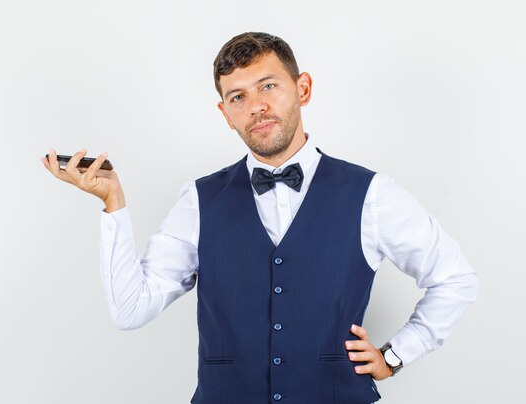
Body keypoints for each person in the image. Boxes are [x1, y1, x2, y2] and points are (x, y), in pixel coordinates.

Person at [41, 32, 479, 404]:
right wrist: (112, 203)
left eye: (268, 86)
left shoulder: (372, 195)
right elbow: (130, 310)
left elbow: (455, 278)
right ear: (225, 113)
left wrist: (396, 354)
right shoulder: (198, 200)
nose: (256, 106)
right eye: (238, 96)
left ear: (302, 88)